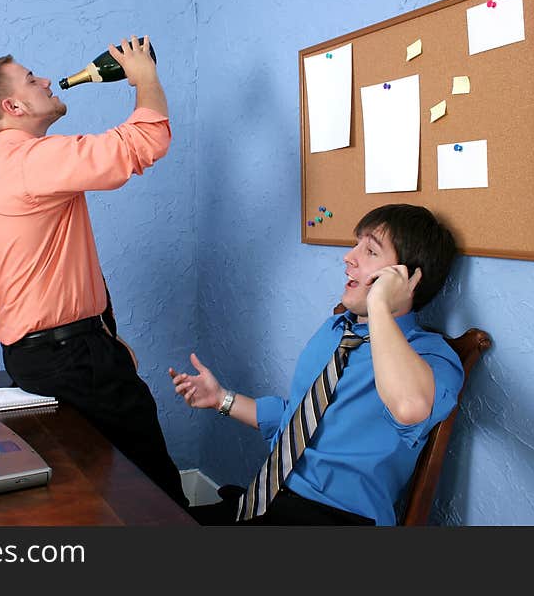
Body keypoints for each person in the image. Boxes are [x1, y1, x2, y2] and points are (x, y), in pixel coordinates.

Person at [0, 36, 188, 508]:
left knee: (92, 488)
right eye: (31, 78)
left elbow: (60, 265)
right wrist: (144, 77)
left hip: (53, 352)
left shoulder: (2, 168)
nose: (45, 80)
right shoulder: (31, 161)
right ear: (13, 105)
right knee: (150, 490)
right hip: (70, 357)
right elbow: (146, 141)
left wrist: (104, 331)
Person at [169, 203, 462, 525]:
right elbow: (300, 420)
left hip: (338, 517)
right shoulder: (336, 330)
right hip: (271, 499)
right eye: (356, 245)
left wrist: (379, 303)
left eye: (370, 251)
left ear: (406, 278)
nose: (349, 257)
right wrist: (221, 399)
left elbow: (409, 408)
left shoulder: (431, 356)